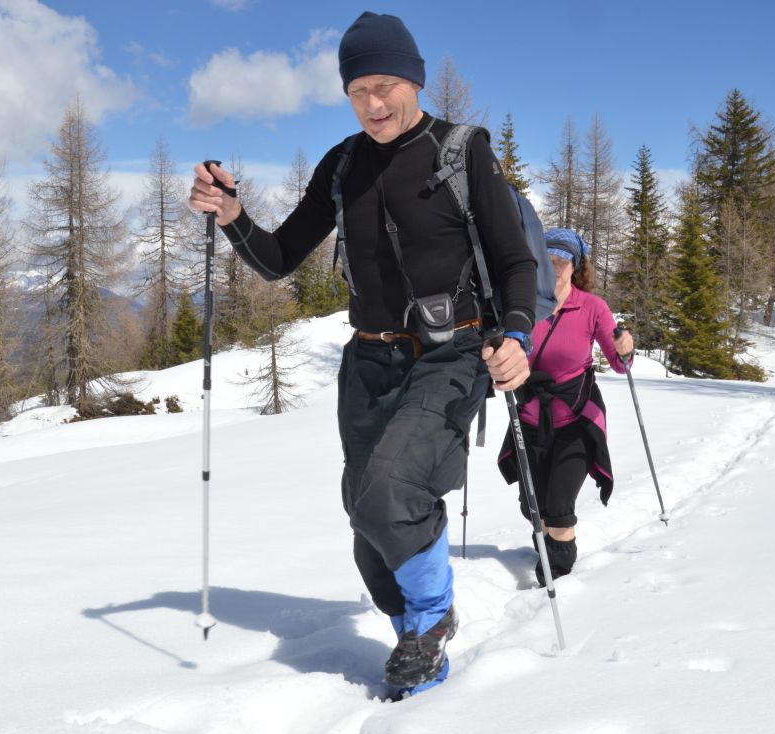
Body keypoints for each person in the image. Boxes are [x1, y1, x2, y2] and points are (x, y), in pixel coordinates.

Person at [188, 11, 536, 695]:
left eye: (385, 86)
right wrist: (233, 218)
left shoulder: (462, 152)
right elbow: (280, 258)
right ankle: (411, 625)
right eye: (358, 91)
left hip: (452, 353)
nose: (374, 104)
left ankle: (433, 622)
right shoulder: (343, 165)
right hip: (369, 362)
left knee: (389, 490)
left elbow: (515, 258)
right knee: (365, 514)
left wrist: (517, 334)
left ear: (414, 80)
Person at [497, 228, 634, 586]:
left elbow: (620, 364)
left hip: (575, 418)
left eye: (563, 261)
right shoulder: (521, 305)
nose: (555, 267)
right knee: (534, 507)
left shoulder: (591, 307)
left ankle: (556, 579)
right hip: (528, 419)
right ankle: (544, 547)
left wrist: (626, 349)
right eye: (548, 259)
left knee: (559, 507)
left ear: (576, 267)